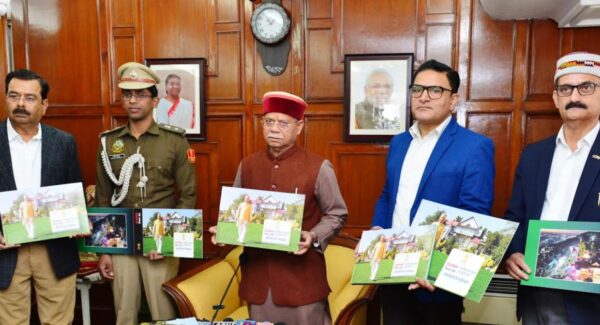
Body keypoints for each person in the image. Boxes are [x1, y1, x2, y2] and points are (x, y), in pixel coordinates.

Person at [370, 59, 495, 324]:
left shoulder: (475, 147)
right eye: (417, 89)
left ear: (453, 100)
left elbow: (475, 214)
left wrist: (439, 270)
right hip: (393, 272)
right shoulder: (399, 142)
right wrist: (378, 230)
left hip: (436, 283)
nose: (424, 97)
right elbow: (387, 194)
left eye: (435, 90)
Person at [209, 91, 348, 325]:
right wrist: (224, 233)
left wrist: (313, 235)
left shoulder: (318, 166)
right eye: (269, 121)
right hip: (258, 282)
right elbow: (238, 218)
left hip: (302, 282)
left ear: (299, 127)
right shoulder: (248, 165)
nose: (274, 129)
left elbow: (337, 213)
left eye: (283, 123)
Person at [95, 62, 197, 325]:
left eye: (140, 94)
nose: (133, 100)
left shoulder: (174, 140)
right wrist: (103, 251)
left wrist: (171, 241)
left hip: (159, 238)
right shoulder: (109, 142)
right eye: (127, 94)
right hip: (121, 239)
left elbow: (187, 194)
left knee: (163, 314)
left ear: (155, 100)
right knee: (124, 314)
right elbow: (104, 198)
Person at [504, 51, 600, 325]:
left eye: (586, 87)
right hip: (536, 290)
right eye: (565, 88)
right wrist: (513, 252)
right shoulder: (534, 155)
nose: (574, 96)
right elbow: (515, 216)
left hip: (591, 303)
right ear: (556, 98)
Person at [0, 69, 83, 324]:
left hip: (55, 249)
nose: (21, 104)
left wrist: (77, 220)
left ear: (44, 104)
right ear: (6, 99)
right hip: (6, 251)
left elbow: (74, 191)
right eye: (14, 96)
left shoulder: (64, 142)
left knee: (58, 321)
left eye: (30, 98)